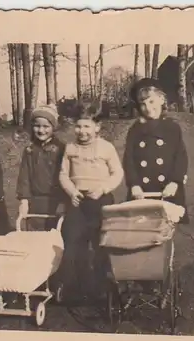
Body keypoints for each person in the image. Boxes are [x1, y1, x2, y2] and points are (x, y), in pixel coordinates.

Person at [58, 99, 124, 300]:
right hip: (78, 201)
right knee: (73, 240)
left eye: (87, 126)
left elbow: (117, 173)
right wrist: (71, 192)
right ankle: (75, 286)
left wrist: (103, 189)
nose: (81, 131)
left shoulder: (106, 148)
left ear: (97, 127)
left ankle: (101, 286)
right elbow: (63, 174)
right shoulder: (70, 148)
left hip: (101, 201)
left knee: (101, 243)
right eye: (78, 126)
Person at [123, 77, 189, 223]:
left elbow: (181, 157)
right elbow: (128, 159)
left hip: (167, 188)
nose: (148, 108)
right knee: (142, 227)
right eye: (143, 104)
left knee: (167, 226)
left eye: (151, 101)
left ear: (161, 99)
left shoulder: (172, 128)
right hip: (142, 189)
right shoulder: (135, 129)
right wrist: (134, 184)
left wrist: (175, 182)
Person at [16, 104, 66, 231]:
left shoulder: (61, 150)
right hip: (34, 201)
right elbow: (24, 177)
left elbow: (65, 176)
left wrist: (63, 201)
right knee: (34, 237)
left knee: (55, 236)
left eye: (46, 126)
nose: (41, 130)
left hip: (55, 201)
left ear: (53, 127)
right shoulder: (29, 150)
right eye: (37, 126)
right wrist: (24, 200)